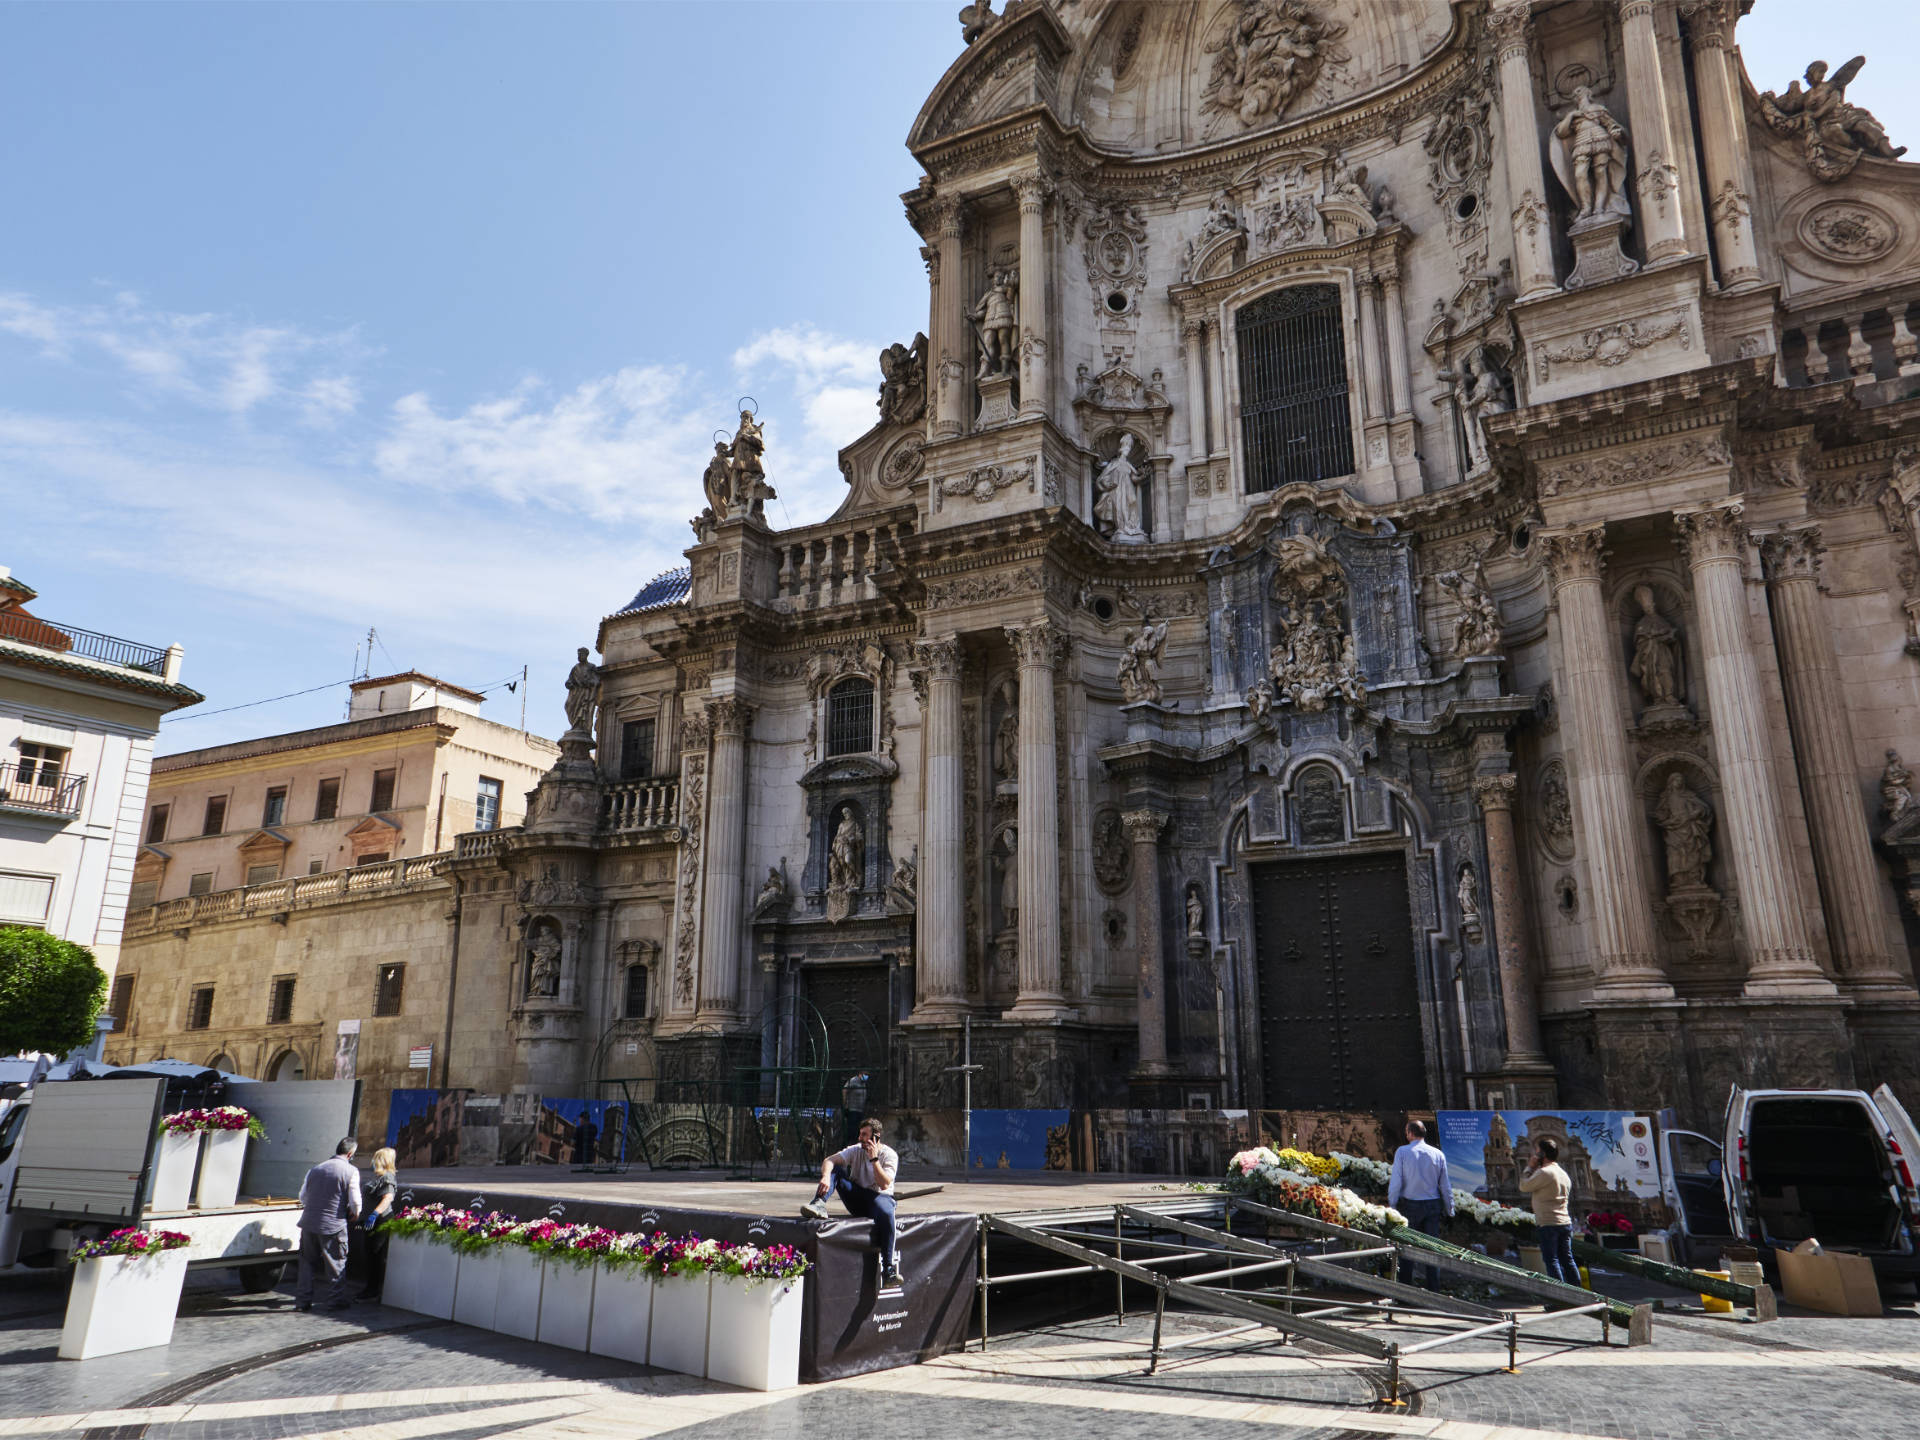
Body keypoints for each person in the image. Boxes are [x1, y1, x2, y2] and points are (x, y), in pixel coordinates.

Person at [801, 1118, 903, 1288]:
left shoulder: (889, 1155)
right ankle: (818, 1203)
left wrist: (874, 1160)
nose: (860, 1138)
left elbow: (884, 1183)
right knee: (836, 1169)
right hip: (857, 1198)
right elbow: (829, 1160)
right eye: (860, 1134)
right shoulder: (856, 1150)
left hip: (879, 1199)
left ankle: (888, 1270)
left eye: (865, 1135)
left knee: (887, 1211)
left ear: (876, 1137)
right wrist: (826, 1176)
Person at [296, 1138, 363, 1312]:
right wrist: (356, 1213)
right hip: (333, 1224)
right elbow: (355, 1201)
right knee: (336, 1263)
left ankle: (302, 1302)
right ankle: (335, 1301)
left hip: (309, 1222)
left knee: (306, 1263)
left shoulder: (315, 1169)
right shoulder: (351, 1171)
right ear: (350, 1154)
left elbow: (303, 1197)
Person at [1387, 1119, 1454, 1288]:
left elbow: (1396, 1181)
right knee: (1432, 1248)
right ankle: (1433, 1289)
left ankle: (1406, 1289)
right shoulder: (1438, 1154)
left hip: (1410, 1206)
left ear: (1410, 1133)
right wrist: (1450, 1208)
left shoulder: (1402, 1152)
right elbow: (1445, 1185)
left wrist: (1392, 1205)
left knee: (1407, 1249)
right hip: (1432, 1205)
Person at [1519, 1136, 1578, 1286]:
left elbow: (1524, 1186)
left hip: (1548, 1223)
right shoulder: (1563, 1173)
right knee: (1567, 1259)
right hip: (1564, 1222)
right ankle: (1580, 1295)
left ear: (1542, 1155)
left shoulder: (1544, 1172)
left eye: (1537, 1152)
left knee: (1552, 1260)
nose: (1535, 1155)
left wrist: (1530, 1167)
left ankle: (1560, 1297)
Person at [352, 1146, 398, 1304]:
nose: (372, 1161)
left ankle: (373, 1291)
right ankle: (369, 1288)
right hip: (370, 1221)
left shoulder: (387, 1178)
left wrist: (374, 1214)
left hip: (380, 1220)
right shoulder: (378, 1178)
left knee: (376, 1255)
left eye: (375, 1158)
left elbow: (388, 1198)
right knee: (370, 1254)